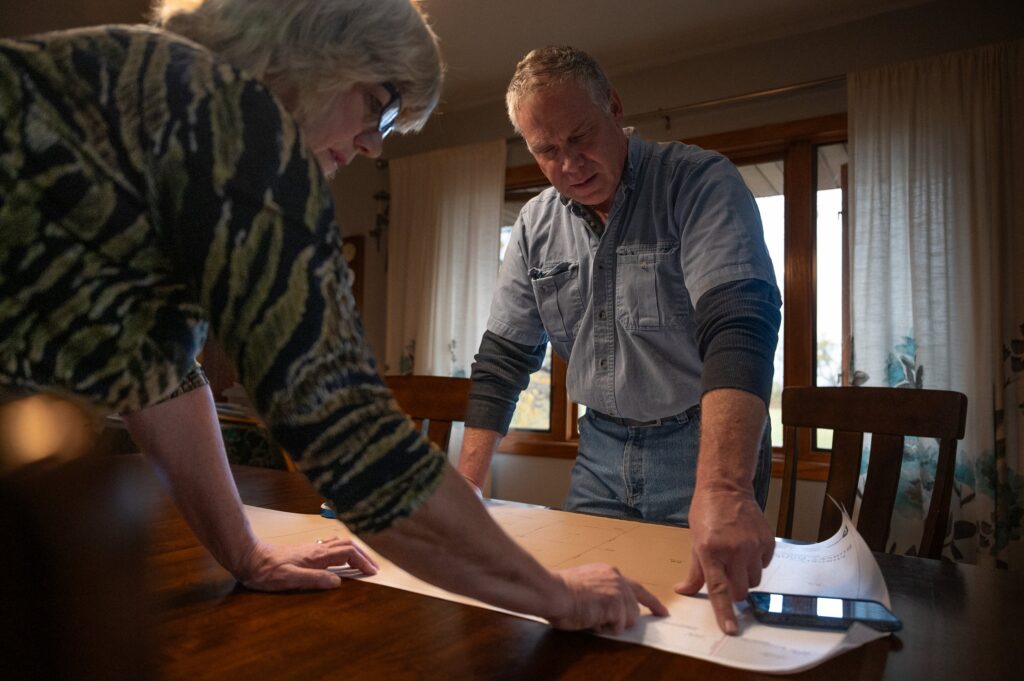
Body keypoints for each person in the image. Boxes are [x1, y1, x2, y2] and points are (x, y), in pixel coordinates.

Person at [0, 1, 666, 633]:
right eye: (376, 104)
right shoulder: (237, 122)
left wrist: (246, 552)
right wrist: (558, 594)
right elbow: (351, 437)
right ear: (311, 50)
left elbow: (160, 377)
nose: (373, 145)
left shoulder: (146, 77)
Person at [456, 46, 781, 635]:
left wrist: (725, 487)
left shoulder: (698, 182)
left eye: (581, 137)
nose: (569, 164)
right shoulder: (535, 223)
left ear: (614, 107)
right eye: (546, 151)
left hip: (698, 446)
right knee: (591, 621)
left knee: (703, 629)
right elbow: (503, 358)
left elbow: (739, 323)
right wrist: (466, 492)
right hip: (600, 449)